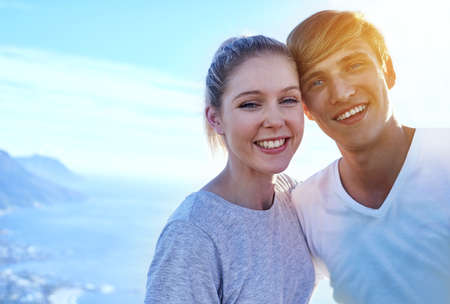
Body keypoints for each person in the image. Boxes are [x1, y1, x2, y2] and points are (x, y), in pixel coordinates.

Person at [287, 10, 450, 304]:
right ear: (306, 109)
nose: (342, 92)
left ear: (388, 70)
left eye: (354, 65)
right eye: (317, 82)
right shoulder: (304, 206)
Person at [144, 35, 314, 304]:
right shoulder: (193, 234)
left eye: (288, 99)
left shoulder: (294, 197)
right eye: (250, 104)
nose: (274, 119)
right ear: (216, 118)